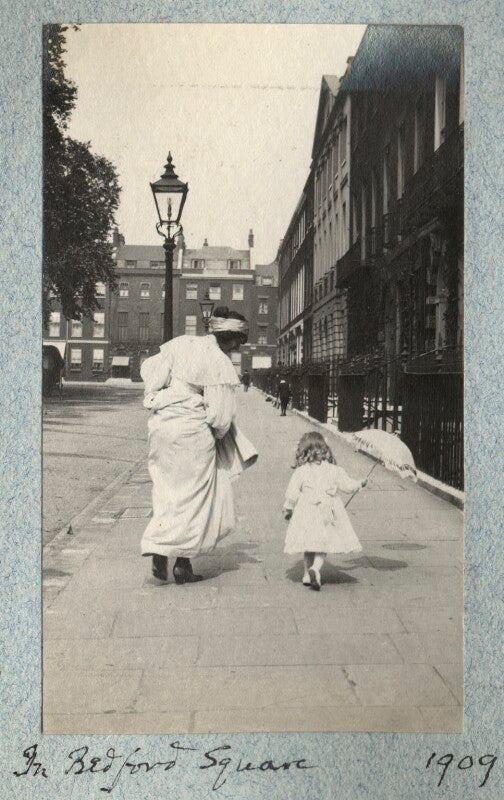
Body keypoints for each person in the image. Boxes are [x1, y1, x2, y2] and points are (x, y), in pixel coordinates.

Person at [140, 306, 249, 584]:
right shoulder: (219, 361)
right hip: (192, 431)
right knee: (195, 497)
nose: (238, 347)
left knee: (165, 490)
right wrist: (219, 435)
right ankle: (183, 564)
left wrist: (162, 398)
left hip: (163, 426)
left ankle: (159, 550)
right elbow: (220, 417)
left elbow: (153, 375)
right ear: (229, 336)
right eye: (239, 341)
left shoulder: (181, 343)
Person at [282, 432, 367, 591]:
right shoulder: (334, 470)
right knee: (323, 544)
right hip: (326, 511)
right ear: (323, 450)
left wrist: (288, 507)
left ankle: (307, 574)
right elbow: (347, 486)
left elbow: (293, 492)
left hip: (306, 512)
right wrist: (359, 484)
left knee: (308, 543)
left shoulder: (301, 471)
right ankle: (316, 569)